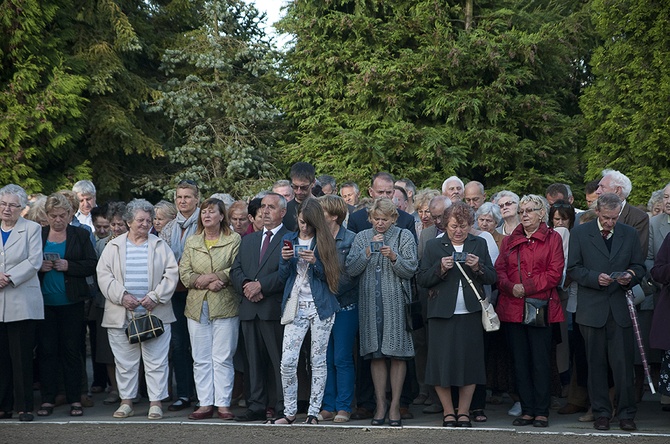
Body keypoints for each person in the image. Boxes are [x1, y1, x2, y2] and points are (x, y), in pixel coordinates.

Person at [567, 193, 646, 432]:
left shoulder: (629, 234)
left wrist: (630, 276)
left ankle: (626, 413)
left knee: (623, 366)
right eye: (607, 217)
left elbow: (640, 267)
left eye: (615, 217)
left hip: (620, 309)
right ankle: (601, 413)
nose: (611, 222)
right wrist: (594, 278)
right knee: (595, 365)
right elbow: (573, 268)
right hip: (592, 310)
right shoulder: (580, 232)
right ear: (598, 212)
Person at [97, 199, 179, 420]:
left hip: (155, 313)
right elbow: (104, 276)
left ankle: (155, 403)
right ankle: (126, 402)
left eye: (149, 220)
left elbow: (171, 274)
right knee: (125, 362)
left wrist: (155, 296)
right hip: (121, 313)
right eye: (140, 220)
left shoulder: (160, 245)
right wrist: (122, 296)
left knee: (156, 361)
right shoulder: (113, 246)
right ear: (129, 221)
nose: (145, 224)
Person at [417, 201, 496, 427]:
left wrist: (478, 267)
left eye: (463, 226)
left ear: (470, 225)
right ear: (445, 225)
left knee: (469, 364)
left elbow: (492, 278)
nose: (458, 231)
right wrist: (440, 269)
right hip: (441, 314)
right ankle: (448, 412)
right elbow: (421, 279)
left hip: (470, 314)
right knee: (441, 365)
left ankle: (464, 412)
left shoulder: (479, 244)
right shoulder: (433, 246)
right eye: (453, 226)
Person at [266, 199, 340, 425]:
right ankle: (289, 412)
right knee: (287, 361)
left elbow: (334, 278)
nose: (304, 227)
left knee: (318, 361)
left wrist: (316, 262)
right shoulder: (289, 239)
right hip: (295, 306)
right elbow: (282, 276)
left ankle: (313, 412)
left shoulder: (324, 241)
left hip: (321, 308)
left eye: (308, 223)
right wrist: (286, 260)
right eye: (300, 222)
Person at [346, 198, 418, 427]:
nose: (379, 223)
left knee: (397, 354)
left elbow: (411, 269)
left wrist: (394, 256)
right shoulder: (361, 237)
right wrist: (367, 252)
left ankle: (395, 405)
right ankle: (380, 404)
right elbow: (351, 269)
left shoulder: (404, 236)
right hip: (369, 304)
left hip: (396, 304)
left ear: (394, 218)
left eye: (384, 219)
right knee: (375, 355)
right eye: (376, 219)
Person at [495, 194, 565, 428]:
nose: (524, 214)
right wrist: (509, 287)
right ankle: (526, 409)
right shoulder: (509, 241)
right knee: (519, 361)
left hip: (540, 307)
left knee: (540, 360)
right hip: (512, 307)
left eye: (530, 210)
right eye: (522, 210)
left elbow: (555, 273)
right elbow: (500, 270)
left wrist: (526, 288)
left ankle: (541, 410)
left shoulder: (553, 238)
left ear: (542, 213)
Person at [35, 193, 97, 418]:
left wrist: (69, 265)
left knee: (72, 351)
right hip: (43, 303)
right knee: (47, 351)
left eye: (62, 215)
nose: (58, 220)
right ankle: (48, 398)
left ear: (70, 215)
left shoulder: (80, 234)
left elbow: (92, 264)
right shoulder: (38, 234)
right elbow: (26, 263)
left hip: (71, 302)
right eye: (53, 216)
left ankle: (75, 398)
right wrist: (38, 266)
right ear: (47, 215)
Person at [179, 198, 241, 420]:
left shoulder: (234, 239)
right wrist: (205, 280)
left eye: (211, 212)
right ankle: (205, 403)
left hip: (225, 303)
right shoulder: (193, 241)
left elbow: (235, 268)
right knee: (201, 356)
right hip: (197, 306)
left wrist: (218, 278)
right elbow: (184, 273)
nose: (206, 215)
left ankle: (223, 403)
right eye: (203, 212)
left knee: (222, 356)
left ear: (221, 216)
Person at [231, 193, 289, 421]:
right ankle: (256, 405)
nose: (265, 211)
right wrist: (246, 285)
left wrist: (261, 286)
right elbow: (235, 270)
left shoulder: (289, 238)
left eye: (271, 207)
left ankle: (283, 405)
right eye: (263, 207)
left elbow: (288, 273)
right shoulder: (248, 240)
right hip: (249, 309)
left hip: (272, 309)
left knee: (279, 362)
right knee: (252, 362)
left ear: (282, 212)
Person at [0, 184, 43, 422]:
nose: (7, 209)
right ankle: (3, 405)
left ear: (22, 208)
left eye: (12, 205)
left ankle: (24, 406)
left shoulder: (32, 229)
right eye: (3, 204)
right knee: (2, 359)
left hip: (22, 301)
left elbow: (34, 261)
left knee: (22, 357)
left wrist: (9, 277)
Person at [317, 195, 359, 423]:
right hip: (323, 308)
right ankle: (328, 405)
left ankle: (343, 406)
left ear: (334, 215)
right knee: (325, 358)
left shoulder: (351, 239)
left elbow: (351, 276)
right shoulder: (316, 239)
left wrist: (329, 289)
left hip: (345, 306)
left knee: (341, 357)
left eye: (322, 213)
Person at [160, 179, 201, 411]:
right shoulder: (168, 228)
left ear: (196, 199)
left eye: (187, 197)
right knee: (178, 344)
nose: (182, 201)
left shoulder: (202, 225)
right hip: (174, 293)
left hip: (198, 291)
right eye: (179, 197)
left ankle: (202, 393)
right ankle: (183, 393)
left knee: (199, 345)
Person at [283, 162, 316, 231]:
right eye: (294, 187)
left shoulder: (322, 207)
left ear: (313, 183)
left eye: (304, 187)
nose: (298, 191)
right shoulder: (284, 210)